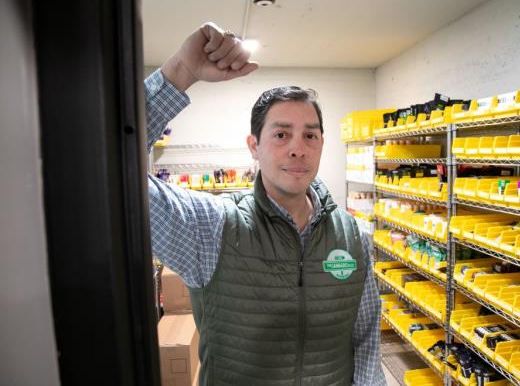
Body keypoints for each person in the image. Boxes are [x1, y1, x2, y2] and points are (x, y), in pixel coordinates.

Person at [146, 22, 386, 386]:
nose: (297, 147)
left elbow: (366, 340)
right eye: (280, 134)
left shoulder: (353, 236)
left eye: (310, 135)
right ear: (254, 146)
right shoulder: (210, 229)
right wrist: (181, 70)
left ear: (322, 144)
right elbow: (105, 165)